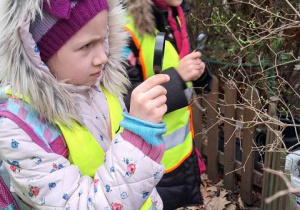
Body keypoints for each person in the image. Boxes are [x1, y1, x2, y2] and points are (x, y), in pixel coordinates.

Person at [0, 0, 171, 209]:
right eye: (86, 46)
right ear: (39, 53)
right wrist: (138, 136)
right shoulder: (19, 131)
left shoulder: (100, 85)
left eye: (103, 39)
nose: (103, 57)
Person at [123, 0, 213, 209]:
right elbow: (123, 104)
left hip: (179, 154)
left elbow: (172, 67)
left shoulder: (172, 17)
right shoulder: (125, 31)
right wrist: (179, 76)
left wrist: (198, 75)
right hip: (148, 163)